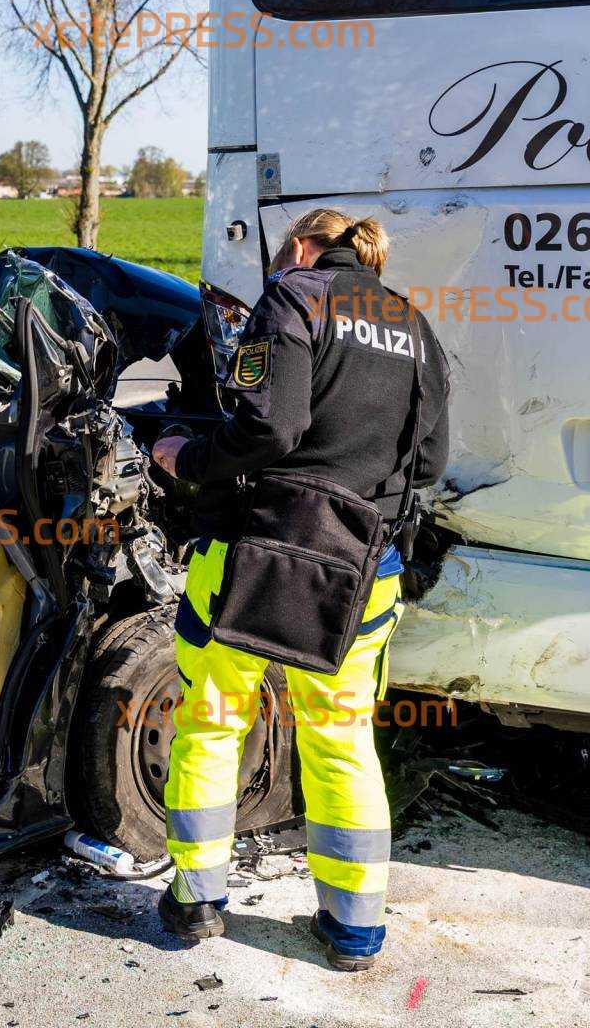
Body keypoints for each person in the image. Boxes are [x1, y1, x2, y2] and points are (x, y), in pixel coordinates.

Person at [149, 207, 449, 971]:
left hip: (256, 550)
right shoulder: (415, 326)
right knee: (343, 741)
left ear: (302, 248)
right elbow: (431, 460)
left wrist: (185, 457)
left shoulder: (293, 299)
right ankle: (354, 932)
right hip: (364, 567)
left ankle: (198, 902)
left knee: (213, 723)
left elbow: (267, 430)